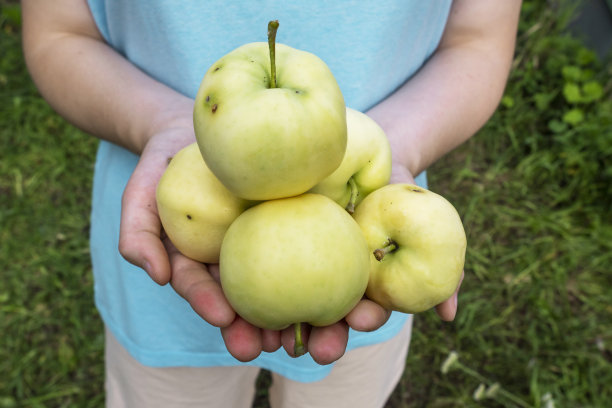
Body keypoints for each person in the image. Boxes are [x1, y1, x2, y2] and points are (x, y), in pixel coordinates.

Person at [21, 1, 522, 407]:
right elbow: (59, 32)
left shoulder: (376, 214)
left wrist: (403, 143)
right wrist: (157, 122)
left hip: (366, 252)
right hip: (174, 258)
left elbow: (477, 40)